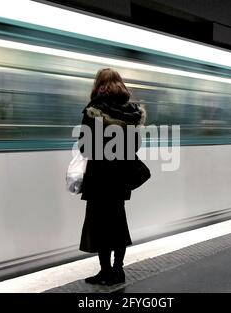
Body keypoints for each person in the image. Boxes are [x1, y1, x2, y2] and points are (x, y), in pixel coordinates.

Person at [78, 68, 146, 286]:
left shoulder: (94, 109)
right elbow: (135, 145)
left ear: (98, 85)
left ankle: (105, 272)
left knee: (99, 225)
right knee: (117, 223)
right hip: (121, 177)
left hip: (100, 176)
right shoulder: (132, 112)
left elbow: (84, 146)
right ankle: (118, 270)